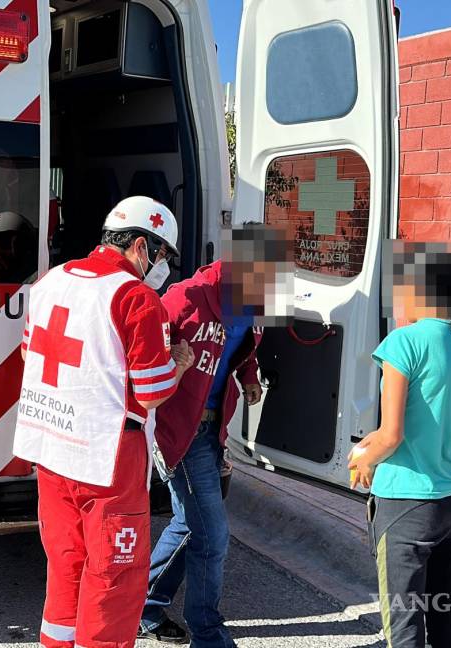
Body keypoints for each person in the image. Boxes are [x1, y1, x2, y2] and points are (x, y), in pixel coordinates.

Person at [13, 195, 195, 648]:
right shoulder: (136, 298)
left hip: (52, 449)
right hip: (109, 455)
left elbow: (29, 352)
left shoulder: (51, 281)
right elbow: (152, 391)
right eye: (162, 255)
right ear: (140, 246)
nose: (163, 266)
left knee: (66, 565)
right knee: (114, 579)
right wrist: (181, 365)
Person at [139, 224, 292, 647]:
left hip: (211, 430)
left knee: (190, 524)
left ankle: (145, 605)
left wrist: (248, 378)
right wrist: (172, 361)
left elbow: (242, 347)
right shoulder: (185, 297)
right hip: (178, 430)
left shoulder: (255, 302)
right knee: (212, 533)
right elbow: (143, 350)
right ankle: (209, 634)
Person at [349, 241, 451, 648]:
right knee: (442, 620)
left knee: (403, 627)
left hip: (405, 508)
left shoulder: (403, 342)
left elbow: (391, 435)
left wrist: (361, 456)